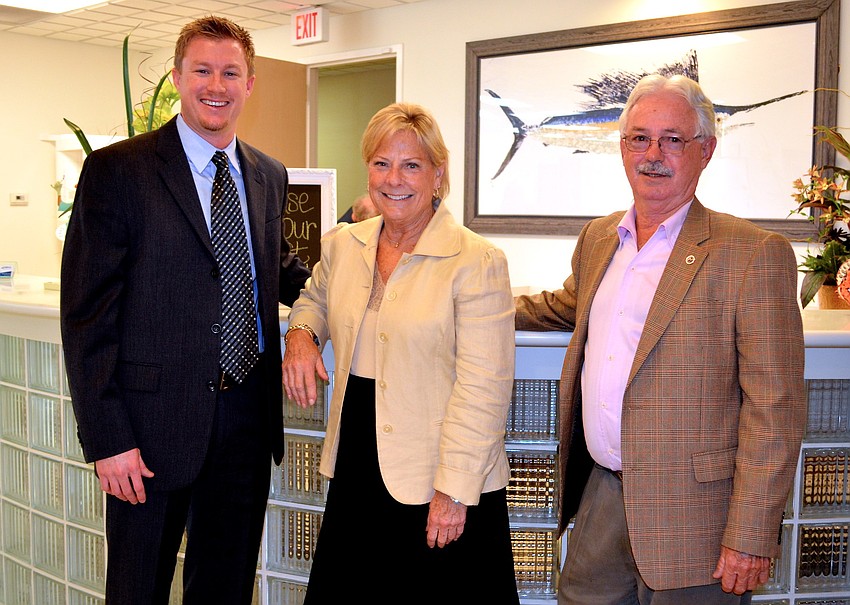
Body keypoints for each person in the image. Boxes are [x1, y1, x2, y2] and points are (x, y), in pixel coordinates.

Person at [515, 74, 806, 604]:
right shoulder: (601, 237)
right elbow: (565, 306)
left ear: (706, 150)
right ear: (622, 147)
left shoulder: (752, 253)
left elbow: (776, 410)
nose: (653, 154)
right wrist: (469, 306)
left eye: (672, 139)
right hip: (601, 498)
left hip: (697, 518)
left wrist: (750, 535)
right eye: (638, 138)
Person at [60, 15, 311, 605]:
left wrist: (353, 292)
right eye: (202, 70)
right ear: (178, 77)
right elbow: (86, 317)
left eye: (231, 72)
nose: (216, 85)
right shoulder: (119, 171)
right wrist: (107, 439)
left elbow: (280, 274)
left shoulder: (269, 175)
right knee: (137, 590)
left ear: (251, 83)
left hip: (246, 421)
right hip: (147, 433)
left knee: (223, 590)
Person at [282, 102, 520, 603]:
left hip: (440, 474)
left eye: (411, 165)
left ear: (437, 174)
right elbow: (313, 299)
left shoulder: (476, 261)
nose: (394, 179)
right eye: (381, 163)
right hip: (357, 463)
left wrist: (453, 492)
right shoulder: (345, 244)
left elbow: (486, 389)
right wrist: (301, 336)